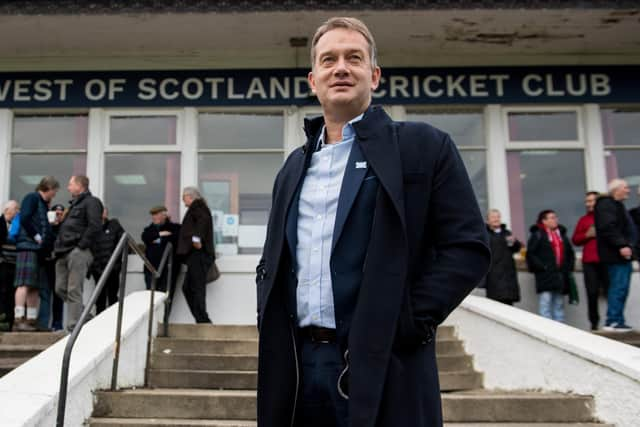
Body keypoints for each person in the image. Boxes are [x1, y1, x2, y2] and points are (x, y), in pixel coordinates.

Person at [255, 17, 490, 427]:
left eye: (354, 58)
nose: (340, 68)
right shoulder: (293, 168)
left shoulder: (423, 147)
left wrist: (408, 320)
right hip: (299, 367)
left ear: (374, 75)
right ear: (313, 80)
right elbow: (275, 261)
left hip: (386, 361)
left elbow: (467, 248)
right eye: (328, 60)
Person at [54, 175, 103, 332]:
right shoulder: (73, 205)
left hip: (78, 251)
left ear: (80, 186)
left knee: (74, 289)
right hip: (63, 252)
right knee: (60, 288)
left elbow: (95, 226)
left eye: (70, 184)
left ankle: (73, 327)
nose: (68, 188)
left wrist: (81, 246)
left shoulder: (92, 202)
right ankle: (85, 316)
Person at [13, 177, 59, 332]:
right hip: (27, 246)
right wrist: (36, 236)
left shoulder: (44, 205)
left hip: (38, 250)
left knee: (34, 287)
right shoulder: (31, 198)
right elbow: (25, 218)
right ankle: (18, 320)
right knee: (24, 284)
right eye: (54, 191)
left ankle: (31, 321)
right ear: (49, 188)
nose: (54, 194)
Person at [594, 179, 637, 332]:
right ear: (616, 189)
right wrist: (622, 245)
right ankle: (613, 321)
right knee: (618, 287)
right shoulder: (607, 205)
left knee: (622, 287)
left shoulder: (616, 205)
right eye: (625, 187)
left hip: (621, 255)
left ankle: (617, 319)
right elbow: (608, 227)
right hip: (615, 255)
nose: (628, 190)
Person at [526, 210, 575, 322]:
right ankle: (547, 332)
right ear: (544, 221)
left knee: (559, 304)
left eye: (555, 217)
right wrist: (543, 267)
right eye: (551, 218)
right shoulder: (538, 234)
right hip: (545, 276)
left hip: (560, 275)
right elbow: (531, 254)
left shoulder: (561, 235)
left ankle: (560, 332)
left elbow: (570, 253)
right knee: (546, 304)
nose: (555, 220)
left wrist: (568, 268)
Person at [176, 187, 215, 324]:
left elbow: (203, 220)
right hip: (195, 255)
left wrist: (196, 239)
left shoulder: (198, 206)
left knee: (196, 287)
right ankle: (201, 319)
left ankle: (203, 320)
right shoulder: (197, 207)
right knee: (188, 288)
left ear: (190, 196)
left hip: (198, 254)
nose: (182, 199)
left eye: (183, 196)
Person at [572, 191, 609, 331]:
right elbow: (575, 239)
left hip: (606, 260)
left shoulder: (606, 217)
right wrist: (586, 235)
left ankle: (612, 322)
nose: (589, 204)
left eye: (592, 200)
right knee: (592, 293)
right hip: (590, 261)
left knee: (610, 292)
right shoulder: (583, 220)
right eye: (587, 201)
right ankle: (594, 323)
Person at [89, 207, 125, 314]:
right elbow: (89, 247)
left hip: (113, 268)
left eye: (104, 210)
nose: (103, 212)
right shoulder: (92, 228)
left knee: (112, 296)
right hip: (98, 268)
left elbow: (123, 243)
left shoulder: (114, 225)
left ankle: (113, 321)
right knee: (100, 297)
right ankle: (100, 321)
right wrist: (95, 266)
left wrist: (116, 264)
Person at [485, 209, 522, 305]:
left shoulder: (506, 233)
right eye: (493, 217)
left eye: (498, 217)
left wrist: (514, 242)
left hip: (508, 275)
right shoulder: (485, 234)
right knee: (495, 305)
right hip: (493, 274)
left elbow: (516, 248)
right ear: (488, 220)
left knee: (508, 305)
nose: (496, 219)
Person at [141, 205, 180, 293]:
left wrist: (155, 240)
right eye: (153, 215)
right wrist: (160, 234)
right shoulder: (149, 229)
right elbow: (145, 237)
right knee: (151, 296)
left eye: (156, 214)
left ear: (164, 215)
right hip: (151, 269)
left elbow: (174, 239)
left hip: (168, 269)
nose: (154, 217)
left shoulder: (174, 228)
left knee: (165, 297)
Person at [45, 204, 65, 330]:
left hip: (59, 263)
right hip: (46, 263)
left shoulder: (65, 228)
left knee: (58, 294)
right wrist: (50, 226)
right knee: (45, 293)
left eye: (60, 214)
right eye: (55, 213)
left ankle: (57, 324)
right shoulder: (46, 227)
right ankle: (43, 323)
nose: (57, 216)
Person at [0, 200, 19, 331]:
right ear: (8, 210)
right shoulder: (1, 223)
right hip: (3, 264)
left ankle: (10, 322)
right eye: (16, 209)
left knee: (12, 294)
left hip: (15, 265)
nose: (18, 212)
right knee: (3, 292)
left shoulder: (17, 225)